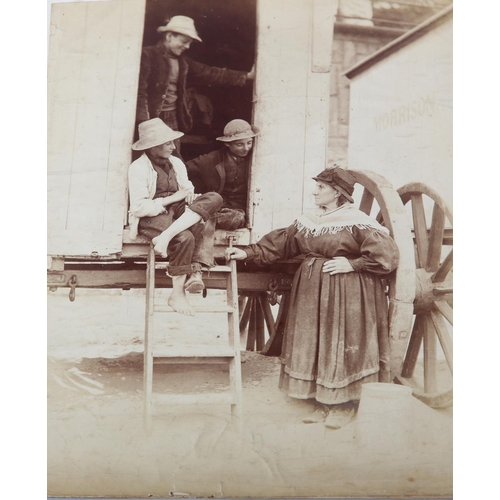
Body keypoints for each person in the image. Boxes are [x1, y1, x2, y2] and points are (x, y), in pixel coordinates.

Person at [226, 167, 400, 429]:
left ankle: (343, 405)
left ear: (338, 193)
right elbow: (283, 243)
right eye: (316, 185)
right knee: (316, 339)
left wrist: (353, 265)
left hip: (347, 290)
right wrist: (248, 253)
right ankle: (321, 400)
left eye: (321, 187)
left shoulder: (356, 221)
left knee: (340, 340)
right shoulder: (310, 220)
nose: (315, 191)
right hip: (311, 289)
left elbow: (386, 254)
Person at [128, 118, 223, 316]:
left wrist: (190, 197)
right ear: (153, 146)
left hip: (179, 210)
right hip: (152, 215)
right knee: (185, 237)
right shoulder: (138, 168)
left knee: (214, 198)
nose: (173, 146)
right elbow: (138, 207)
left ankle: (165, 237)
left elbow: (187, 189)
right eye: (168, 143)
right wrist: (170, 199)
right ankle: (177, 294)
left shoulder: (176, 162)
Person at [136, 15, 255, 140]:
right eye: (184, 41)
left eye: (189, 43)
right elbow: (140, 91)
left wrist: (246, 76)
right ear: (169, 36)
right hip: (151, 118)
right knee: (150, 155)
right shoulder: (147, 55)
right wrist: (145, 122)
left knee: (172, 156)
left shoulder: (184, 62)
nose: (187, 47)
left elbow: (209, 73)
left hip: (173, 117)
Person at [186, 119, 259, 230]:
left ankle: (201, 219)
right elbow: (180, 169)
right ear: (227, 144)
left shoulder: (257, 159)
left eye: (249, 143)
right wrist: (187, 191)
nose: (246, 148)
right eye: (239, 144)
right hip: (215, 206)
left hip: (238, 210)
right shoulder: (210, 159)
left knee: (236, 218)